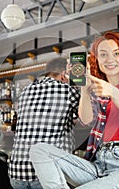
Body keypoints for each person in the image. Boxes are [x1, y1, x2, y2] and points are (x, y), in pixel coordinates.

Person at [29, 31, 119, 189]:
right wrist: (85, 90)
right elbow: (86, 120)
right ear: (97, 60)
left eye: (116, 53)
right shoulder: (97, 89)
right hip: (97, 163)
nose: (110, 59)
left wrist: (114, 92)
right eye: (103, 55)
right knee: (39, 150)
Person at [8, 57, 81, 189]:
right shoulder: (69, 90)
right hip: (46, 174)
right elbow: (88, 118)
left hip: (16, 173)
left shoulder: (26, 90)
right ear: (65, 73)